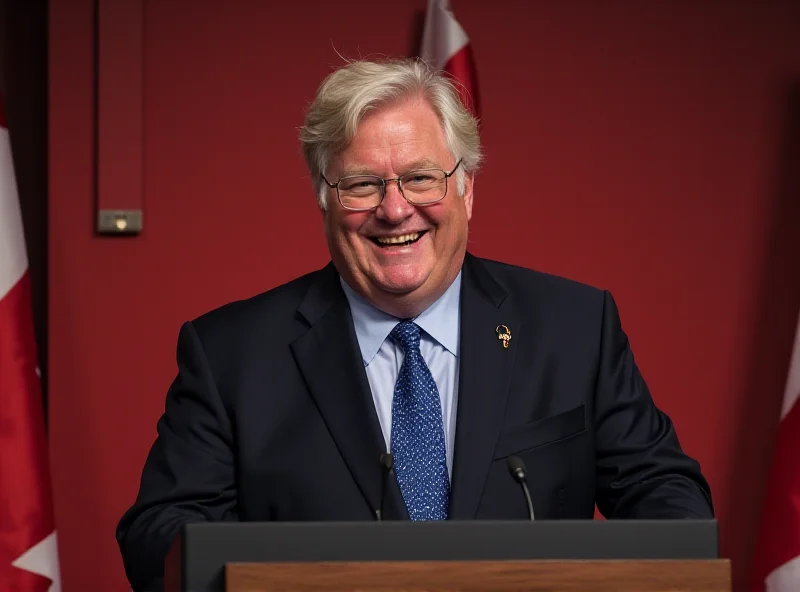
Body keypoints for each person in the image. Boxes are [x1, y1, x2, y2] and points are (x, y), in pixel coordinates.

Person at [115, 57, 713, 591]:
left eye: (421, 177)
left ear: (467, 190)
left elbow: (669, 498)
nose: (395, 208)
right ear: (325, 199)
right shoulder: (231, 354)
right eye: (361, 184)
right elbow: (157, 534)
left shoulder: (575, 327)